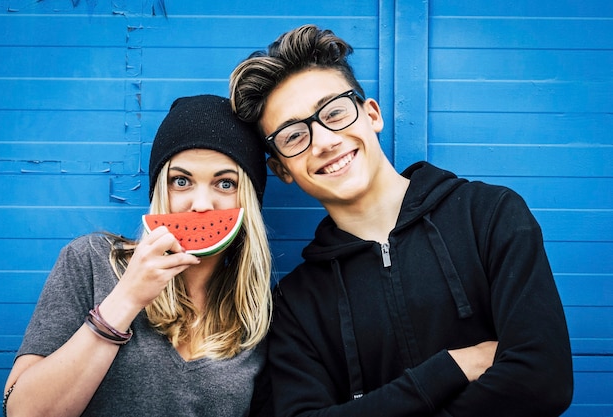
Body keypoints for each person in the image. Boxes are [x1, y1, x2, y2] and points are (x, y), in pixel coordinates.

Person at [229, 24, 573, 416]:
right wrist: (451, 368)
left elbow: (544, 380)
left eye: (335, 112)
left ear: (371, 114)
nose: (324, 141)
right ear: (282, 169)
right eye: (293, 135)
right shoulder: (295, 306)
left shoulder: (490, 216)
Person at [3, 95, 273, 417]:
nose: (201, 204)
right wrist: (127, 299)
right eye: (181, 181)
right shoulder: (90, 261)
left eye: (225, 183)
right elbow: (24, 412)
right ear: (160, 190)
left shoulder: (258, 316)